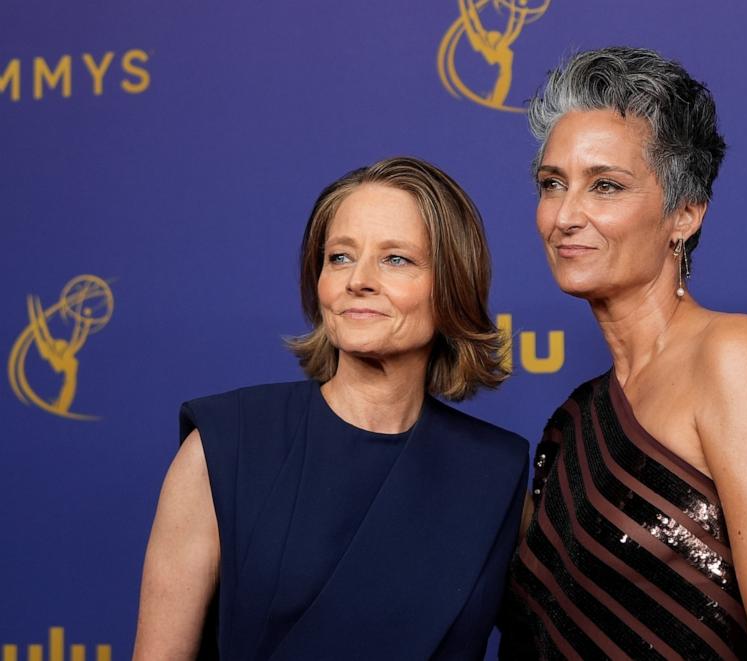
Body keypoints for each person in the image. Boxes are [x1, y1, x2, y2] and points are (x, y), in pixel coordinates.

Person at [499, 47, 747, 660]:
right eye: (552, 184)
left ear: (685, 212)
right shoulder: (572, 422)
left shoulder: (734, 356)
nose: (566, 215)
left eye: (605, 186)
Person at [134, 156, 529, 660]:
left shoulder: (496, 475)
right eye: (340, 257)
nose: (358, 280)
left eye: (396, 259)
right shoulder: (224, 446)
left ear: (452, 284)